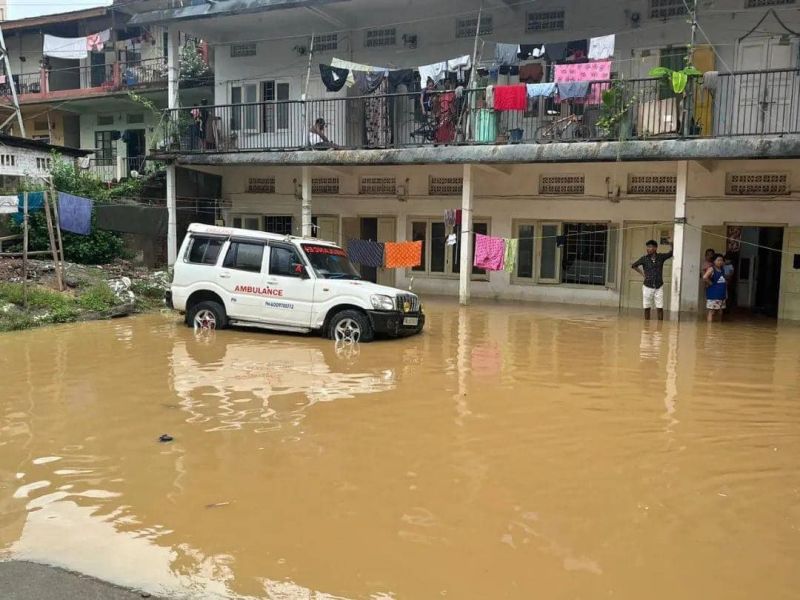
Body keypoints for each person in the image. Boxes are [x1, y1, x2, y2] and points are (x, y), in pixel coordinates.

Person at [631, 237, 673, 321]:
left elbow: (671, 253)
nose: (648, 249)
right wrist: (643, 274)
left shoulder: (661, 257)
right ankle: (646, 327)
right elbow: (634, 266)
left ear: (655, 248)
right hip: (647, 286)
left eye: (650, 247)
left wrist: (671, 243)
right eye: (647, 247)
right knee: (647, 307)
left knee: (660, 307)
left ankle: (660, 328)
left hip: (659, 286)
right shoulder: (644, 259)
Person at [703, 253, 728, 322]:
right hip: (713, 294)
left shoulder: (722, 269)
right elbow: (705, 277)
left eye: (721, 260)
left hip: (721, 295)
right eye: (718, 260)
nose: (720, 262)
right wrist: (711, 283)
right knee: (712, 312)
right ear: (714, 261)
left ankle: (717, 328)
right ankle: (710, 330)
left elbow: (723, 279)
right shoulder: (712, 269)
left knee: (720, 311)